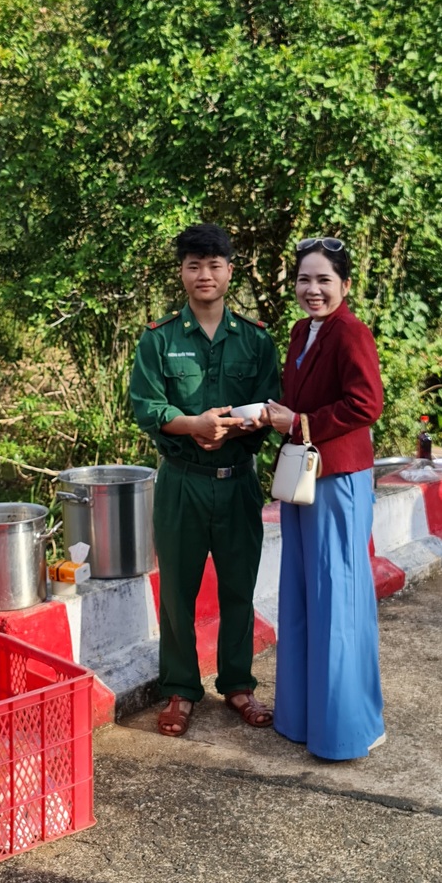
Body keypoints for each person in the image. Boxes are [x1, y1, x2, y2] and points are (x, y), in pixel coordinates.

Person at [130, 224, 280, 737]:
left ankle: (239, 684)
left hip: (238, 480)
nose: (205, 275)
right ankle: (179, 689)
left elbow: (270, 403)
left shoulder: (256, 340)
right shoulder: (160, 338)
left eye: (215, 265)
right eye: (194, 265)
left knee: (239, 586)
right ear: (182, 272)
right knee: (177, 591)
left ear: (230, 270)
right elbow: (145, 405)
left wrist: (238, 425)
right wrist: (192, 425)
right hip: (181, 482)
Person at [267, 237, 385, 760]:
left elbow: (367, 403)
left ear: (345, 285)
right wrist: (274, 414)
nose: (312, 290)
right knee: (299, 594)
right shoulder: (301, 331)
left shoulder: (351, 333)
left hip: (338, 479)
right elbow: (301, 399)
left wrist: (298, 423)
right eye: (303, 280)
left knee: (338, 598)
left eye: (323, 280)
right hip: (302, 478)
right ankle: (301, 719)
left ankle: (347, 728)